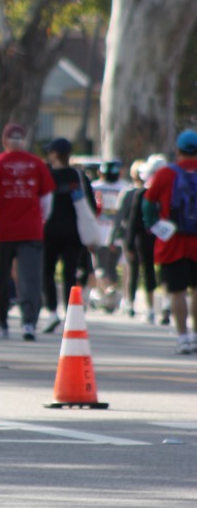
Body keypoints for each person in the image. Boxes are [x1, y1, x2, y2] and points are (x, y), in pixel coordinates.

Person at [0, 123, 55, 341]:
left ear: (4, 142)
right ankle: (29, 322)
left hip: (2, 232)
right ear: (24, 142)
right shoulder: (37, 164)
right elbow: (47, 199)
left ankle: (1, 321)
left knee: (3, 276)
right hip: (31, 230)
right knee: (30, 278)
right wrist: (42, 219)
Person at [143, 130, 197, 354]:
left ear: (178, 150)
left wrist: (156, 227)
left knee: (177, 292)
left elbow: (147, 203)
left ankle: (183, 336)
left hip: (173, 242)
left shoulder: (165, 173)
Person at [41, 137, 96, 333]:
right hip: (75, 232)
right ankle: (69, 314)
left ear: (55, 154)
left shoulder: (47, 175)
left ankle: (51, 312)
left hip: (50, 231)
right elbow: (91, 205)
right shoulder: (79, 176)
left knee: (47, 271)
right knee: (70, 273)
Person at [125, 155, 165, 324]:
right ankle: (158, 308)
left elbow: (133, 221)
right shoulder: (164, 193)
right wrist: (129, 245)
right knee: (156, 272)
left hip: (150, 238)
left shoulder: (144, 194)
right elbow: (133, 221)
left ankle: (153, 309)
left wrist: (128, 245)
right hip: (158, 238)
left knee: (150, 272)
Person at [89, 159, 127, 312]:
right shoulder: (125, 188)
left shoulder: (94, 187)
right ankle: (115, 294)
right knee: (116, 267)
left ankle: (107, 291)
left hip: (99, 232)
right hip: (118, 234)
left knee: (100, 266)